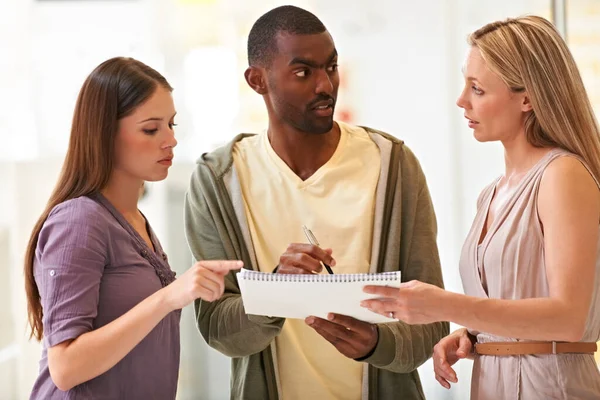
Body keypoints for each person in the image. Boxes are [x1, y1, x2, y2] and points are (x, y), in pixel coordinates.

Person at [184, 5, 448, 400]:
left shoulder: (392, 164)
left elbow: (432, 319)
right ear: (258, 80)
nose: (325, 85)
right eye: (304, 72)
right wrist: (275, 292)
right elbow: (218, 330)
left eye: (331, 67)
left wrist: (379, 343)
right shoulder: (219, 180)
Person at [361, 16, 600, 399]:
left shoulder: (562, 175)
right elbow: (516, 304)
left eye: (478, 89)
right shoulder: (491, 194)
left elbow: (569, 318)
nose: (462, 100)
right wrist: (474, 337)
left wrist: (446, 306)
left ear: (528, 98)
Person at [25, 57, 242, 399]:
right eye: (151, 129)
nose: (170, 140)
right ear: (105, 133)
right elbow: (65, 368)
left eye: (171, 125)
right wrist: (169, 297)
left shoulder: (134, 220)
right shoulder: (78, 221)